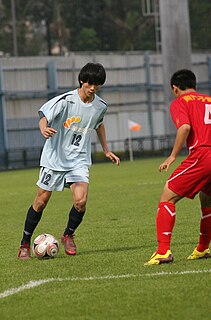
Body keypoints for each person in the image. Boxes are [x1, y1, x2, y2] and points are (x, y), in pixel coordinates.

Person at [18, 62, 120, 260]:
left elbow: (99, 125)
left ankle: (68, 234)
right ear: (82, 81)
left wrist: (106, 150)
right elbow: (43, 117)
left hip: (78, 160)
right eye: (90, 83)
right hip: (54, 158)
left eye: (97, 85)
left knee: (81, 201)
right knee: (41, 202)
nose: (92, 88)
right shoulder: (66, 101)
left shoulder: (100, 106)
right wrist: (43, 129)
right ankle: (24, 243)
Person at [145, 69, 211, 266]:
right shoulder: (209, 99)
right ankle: (202, 248)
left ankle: (163, 251)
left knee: (167, 197)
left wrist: (172, 156)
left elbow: (184, 127)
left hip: (203, 154)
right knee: (207, 199)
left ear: (175, 88)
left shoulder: (180, 102)